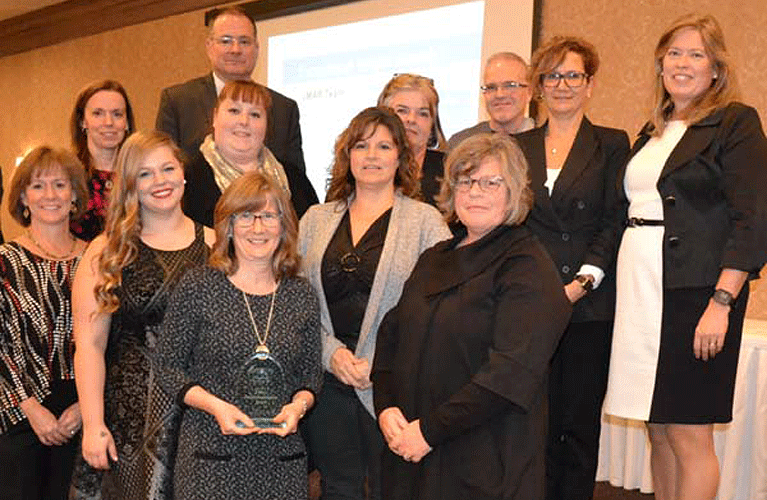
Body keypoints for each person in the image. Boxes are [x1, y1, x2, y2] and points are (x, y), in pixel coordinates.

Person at [603, 14, 767, 500]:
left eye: (697, 54)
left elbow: (754, 217)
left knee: (688, 430)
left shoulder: (734, 121)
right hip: (640, 292)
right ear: (660, 64)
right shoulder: (651, 129)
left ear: (715, 69)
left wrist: (722, 301)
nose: (683, 63)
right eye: (674, 53)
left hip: (696, 294)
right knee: (657, 426)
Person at [371, 133, 571, 500]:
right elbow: (391, 337)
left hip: (484, 460)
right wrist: (385, 408)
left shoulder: (526, 266)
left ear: (513, 192)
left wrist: (429, 431)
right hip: (411, 450)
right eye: (465, 181)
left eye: (491, 182)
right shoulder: (434, 257)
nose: (475, 192)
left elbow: (509, 374)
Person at [298, 107, 451, 499]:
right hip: (328, 380)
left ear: (401, 156)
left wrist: (379, 361)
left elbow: (438, 308)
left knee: (394, 488)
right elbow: (294, 302)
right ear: (346, 155)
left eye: (384, 146)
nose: (371, 155)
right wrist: (331, 353)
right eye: (361, 145)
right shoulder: (315, 219)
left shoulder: (425, 220)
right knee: (338, 487)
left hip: (394, 385)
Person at [154, 171, 322, 499]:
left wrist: (297, 408)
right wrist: (216, 407)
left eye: (269, 216)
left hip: (281, 463)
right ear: (227, 225)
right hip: (210, 459)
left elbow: (311, 375)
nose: (258, 228)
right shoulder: (198, 286)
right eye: (246, 215)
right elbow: (167, 367)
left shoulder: (301, 294)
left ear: (285, 225)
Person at [514, 37, 629, 500]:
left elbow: (613, 219)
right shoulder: (517, 145)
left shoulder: (612, 143)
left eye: (573, 75)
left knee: (578, 428)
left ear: (590, 85)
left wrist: (583, 281)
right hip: (529, 304)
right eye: (552, 75)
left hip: (588, 304)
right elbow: (512, 221)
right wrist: (535, 288)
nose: (563, 84)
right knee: (533, 423)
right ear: (539, 86)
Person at [73, 131, 215, 499]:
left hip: (200, 416)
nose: (160, 181)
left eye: (167, 168)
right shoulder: (107, 251)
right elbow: (89, 346)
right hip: (129, 420)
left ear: (183, 173)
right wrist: (92, 424)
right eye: (145, 173)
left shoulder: (218, 245)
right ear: (130, 184)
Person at [0, 146, 89, 499]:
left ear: (74, 196)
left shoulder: (98, 258)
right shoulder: (5, 260)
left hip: (85, 411)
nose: (49, 195)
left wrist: (86, 405)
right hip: (19, 413)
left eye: (59, 185)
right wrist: (31, 409)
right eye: (38, 186)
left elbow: (114, 341)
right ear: (23, 197)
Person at [155, 6, 305, 173]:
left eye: (244, 42)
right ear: (209, 46)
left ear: (256, 48)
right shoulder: (178, 101)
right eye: (225, 41)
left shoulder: (284, 109)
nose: (235, 50)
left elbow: (297, 182)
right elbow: (162, 171)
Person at [183, 79, 318, 227]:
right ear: (215, 117)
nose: (244, 121)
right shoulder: (188, 180)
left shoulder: (294, 177)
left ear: (266, 124)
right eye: (234, 111)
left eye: (255, 114)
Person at [69, 79, 136, 241]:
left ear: (126, 123)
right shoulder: (67, 176)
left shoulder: (141, 173)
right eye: (98, 113)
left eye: (117, 114)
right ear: (82, 121)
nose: (108, 122)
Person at [377, 73, 448, 206]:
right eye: (402, 111)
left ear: (432, 124)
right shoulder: (364, 166)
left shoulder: (450, 170)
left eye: (422, 113)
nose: (411, 119)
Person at [447, 52, 535, 150]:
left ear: (529, 92)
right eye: (491, 87)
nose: (500, 94)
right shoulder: (460, 144)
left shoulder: (545, 144)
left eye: (510, 85)